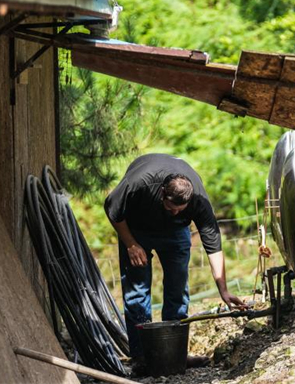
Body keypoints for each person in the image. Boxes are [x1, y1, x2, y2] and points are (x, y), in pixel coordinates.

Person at [105, 153, 245, 364]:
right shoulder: (140, 182)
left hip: (175, 234)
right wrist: (131, 244)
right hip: (137, 229)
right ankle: (142, 358)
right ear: (162, 193)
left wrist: (223, 289)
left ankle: (174, 355)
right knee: (137, 292)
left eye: (180, 210)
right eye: (170, 208)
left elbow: (213, 245)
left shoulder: (199, 201)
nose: (174, 212)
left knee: (177, 289)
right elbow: (111, 207)